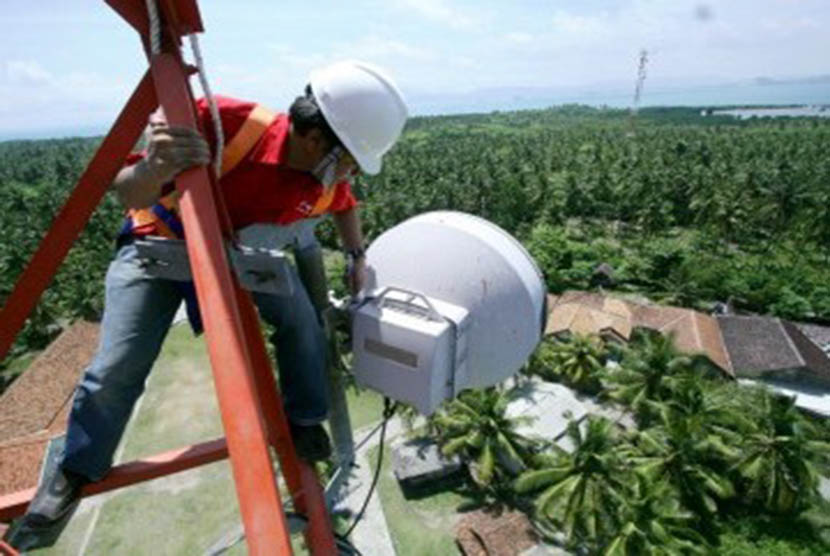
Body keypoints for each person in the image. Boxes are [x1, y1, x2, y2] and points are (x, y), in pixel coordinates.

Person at [4, 60, 408, 551]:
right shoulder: (226, 124)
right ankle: (76, 469)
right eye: (348, 161)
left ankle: (304, 422)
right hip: (160, 247)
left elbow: (345, 204)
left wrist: (357, 254)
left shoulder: (322, 177)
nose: (348, 174)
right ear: (316, 141)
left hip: (235, 254)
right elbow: (126, 190)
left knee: (302, 320)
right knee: (117, 365)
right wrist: (156, 165)